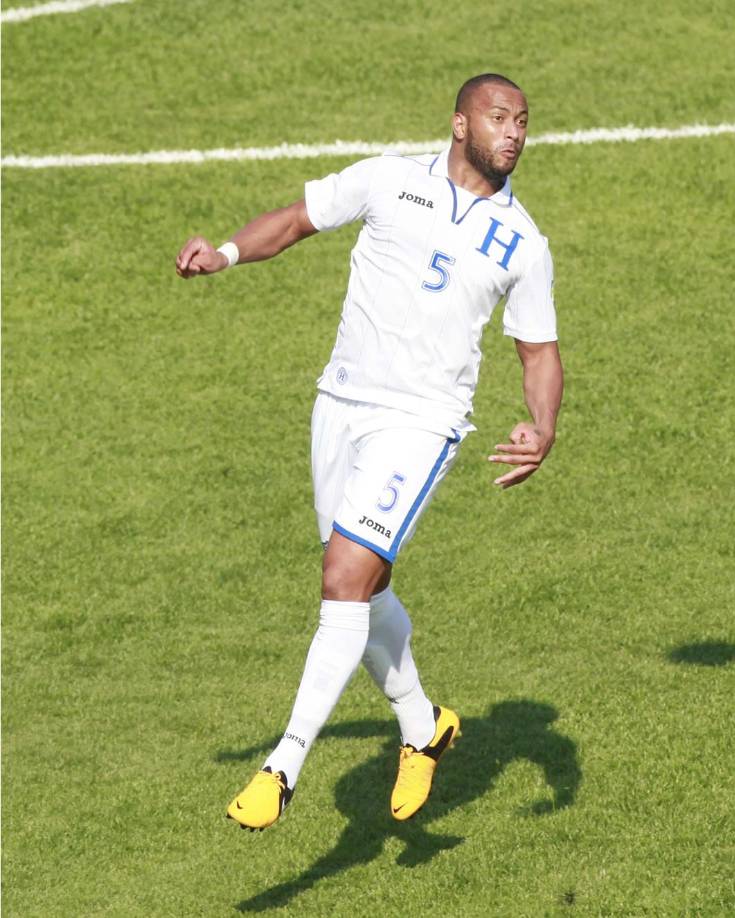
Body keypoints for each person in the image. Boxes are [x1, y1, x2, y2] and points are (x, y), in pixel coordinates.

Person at [175, 73, 564, 831]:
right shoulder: (387, 180)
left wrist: (540, 425)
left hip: (421, 424)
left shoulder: (524, 242)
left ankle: (282, 767)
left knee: (344, 577)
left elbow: (538, 351)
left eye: (522, 122)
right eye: (498, 118)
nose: (513, 133)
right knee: (364, 588)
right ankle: (424, 726)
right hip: (340, 403)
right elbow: (294, 221)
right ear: (459, 124)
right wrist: (224, 253)